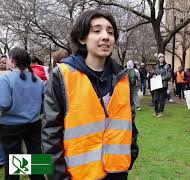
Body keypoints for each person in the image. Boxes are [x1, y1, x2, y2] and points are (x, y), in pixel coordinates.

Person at [42, 10, 139, 180]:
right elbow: (50, 133)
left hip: (117, 172)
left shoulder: (122, 77)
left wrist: (131, 151)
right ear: (82, 38)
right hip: (78, 175)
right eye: (97, 31)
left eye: (110, 32)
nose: (105, 36)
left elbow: (129, 122)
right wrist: (58, 176)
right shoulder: (62, 75)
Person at [0, 47, 45, 180]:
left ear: (12, 61)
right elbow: (44, 103)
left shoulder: (6, 78)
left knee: (12, 160)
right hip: (34, 123)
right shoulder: (37, 79)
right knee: (36, 157)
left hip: (10, 126)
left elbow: (4, 104)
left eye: (7, 58)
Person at [153, 53, 171, 118]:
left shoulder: (167, 66)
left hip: (163, 85)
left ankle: (161, 112)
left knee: (162, 99)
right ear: (158, 58)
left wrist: (161, 78)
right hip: (157, 84)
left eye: (162, 57)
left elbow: (169, 76)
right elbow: (155, 73)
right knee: (155, 99)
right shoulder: (157, 66)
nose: (161, 58)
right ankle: (156, 111)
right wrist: (155, 76)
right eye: (160, 57)